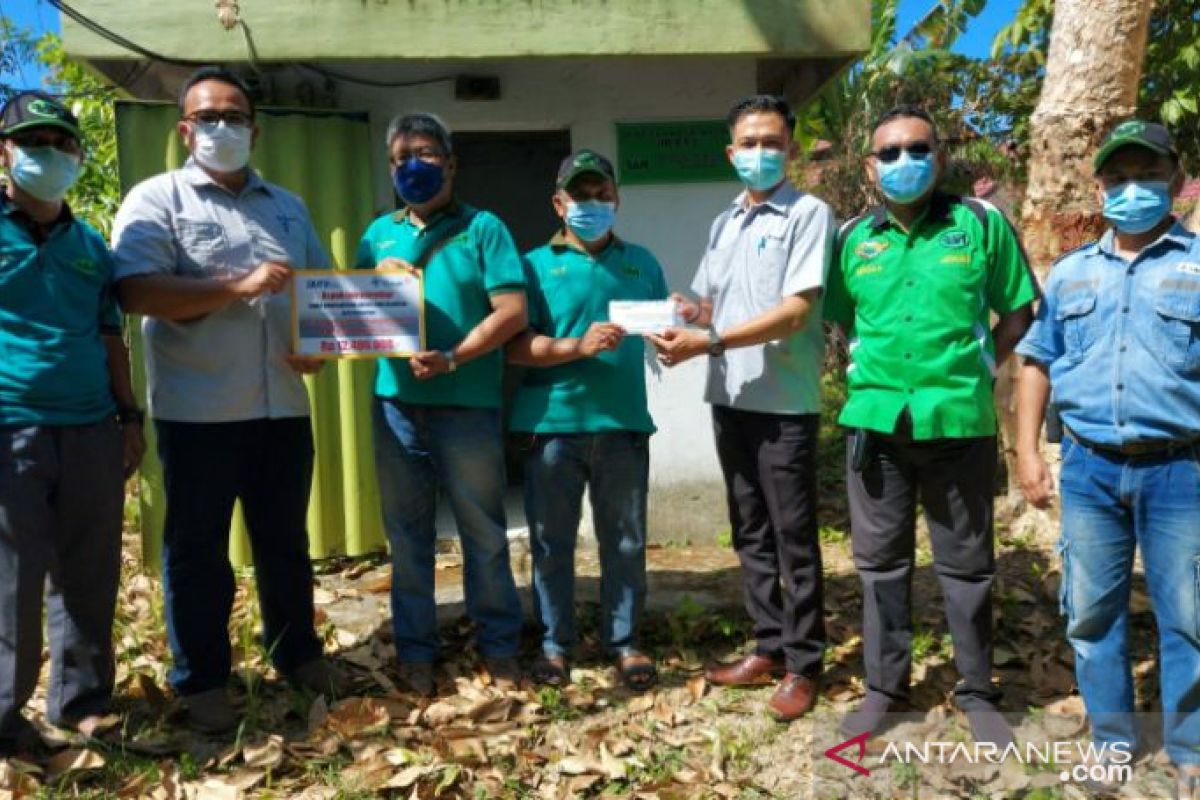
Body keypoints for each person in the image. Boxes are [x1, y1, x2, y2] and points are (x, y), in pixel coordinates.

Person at [112, 66, 346, 733]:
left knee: (284, 543)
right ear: (185, 129)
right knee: (198, 550)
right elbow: (135, 292)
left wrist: (318, 351)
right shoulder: (157, 201)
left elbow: (316, 299)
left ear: (255, 128)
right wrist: (236, 286)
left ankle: (297, 656)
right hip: (199, 412)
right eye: (208, 116)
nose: (223, 127)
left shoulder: (288, 206)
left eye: (235, 116)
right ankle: (203, 680)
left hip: (283, 410)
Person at [825, 105, 1037, 744]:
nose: (903, 162)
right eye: (888, 153)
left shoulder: (978, 223)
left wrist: (978, 366)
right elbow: (842, 319)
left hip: (957, 424)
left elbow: (1020, 310)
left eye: (917, 149)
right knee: (880, 566)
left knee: (968, 566)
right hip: (876, 428)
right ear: (870, 165)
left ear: (938, 157)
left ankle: (976, 691)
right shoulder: (852, 238)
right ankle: (886, 688)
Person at [1015, 120, 1200, 798]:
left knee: (1190, 615)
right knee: (1092, 614)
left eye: (1146, 176)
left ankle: (1190, 750)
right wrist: (1027, 452)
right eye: (1117, 179)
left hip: (1181, 470)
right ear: (1100, 188)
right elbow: (1036, 363)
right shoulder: (1071, 274)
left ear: (1176, 181)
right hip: (1089, 470)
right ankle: (1113, 743)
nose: (1131, 190)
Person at [650, 95, 833, 721]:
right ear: (730, 153)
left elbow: (796, 309)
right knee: (750, 530)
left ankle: (805, 665)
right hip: (730, 398)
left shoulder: (809, 214)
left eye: (772, 142)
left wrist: (713, 338)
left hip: (783, 403)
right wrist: (686, 313)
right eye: (748, 143)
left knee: (793, 538)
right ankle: (768, 647)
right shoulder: (724, 221)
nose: (759, 153)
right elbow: (712, 304)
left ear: (791, 148)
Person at [356, 113, 527, 696]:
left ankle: (500, 648)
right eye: (402, 157)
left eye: (426, 154)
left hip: (467, 403)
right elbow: (350, 315)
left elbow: (511, 313)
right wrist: (374, 275)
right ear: (390, 168)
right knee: (407, 537)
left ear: (451, 163)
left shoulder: (485, 228)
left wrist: (453, 357)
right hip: (396, 405)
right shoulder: (377, 233)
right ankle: (416, 654)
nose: (414, 165)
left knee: (483, 531)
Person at [0, 91, 143, 754]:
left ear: (79, 155)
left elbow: (110, 335)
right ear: (5, 153)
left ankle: (80, 703)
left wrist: (129, 416)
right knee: (14, 577)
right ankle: (5, 714)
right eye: (33, 143)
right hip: (12, 429)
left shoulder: (92, 247)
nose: (48, 155)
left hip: (91, 429)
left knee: (89, 573)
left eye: (61, 143)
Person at [507, 150, 667, 692]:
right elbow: (514, 347)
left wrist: (679, 327)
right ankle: (556, 645)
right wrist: (576, 346)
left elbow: (662, 331)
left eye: (602, 194)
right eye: (580, 195)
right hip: (551, 426)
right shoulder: (530, 265)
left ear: (616, 199)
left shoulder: (641, 262)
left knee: (624, 540)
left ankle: (624, 641)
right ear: (559, 203)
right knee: (552, 542)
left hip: (623, 424)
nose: (592, 204)